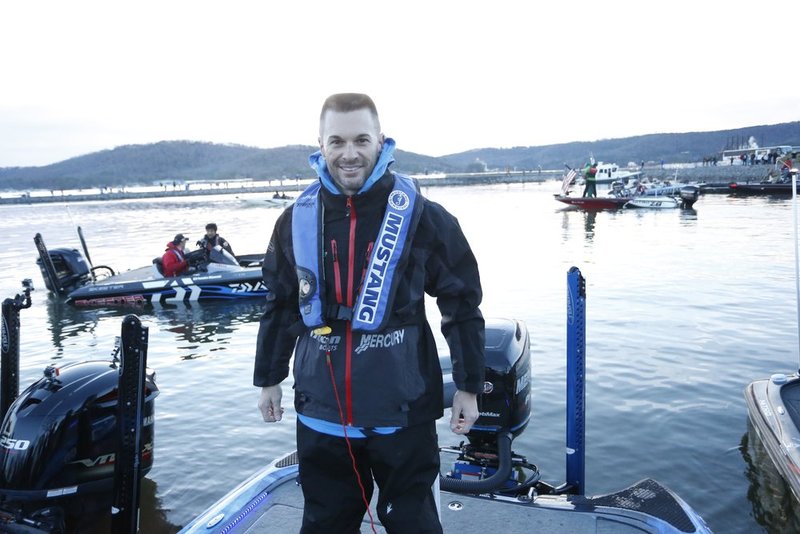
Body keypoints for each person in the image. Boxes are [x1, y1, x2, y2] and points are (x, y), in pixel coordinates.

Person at [254, 93, 485, 533]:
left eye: (361, 140)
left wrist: (469, 386)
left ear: (381, 141)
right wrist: (269, 379)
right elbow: (280, 304)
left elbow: (462, 303)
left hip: (402, 410)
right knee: (325, 522)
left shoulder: (425, 217)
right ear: (320, 145)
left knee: (412, 522)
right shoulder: (293, 220)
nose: (349, 154)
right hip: (321, 410)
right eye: (337, 141)